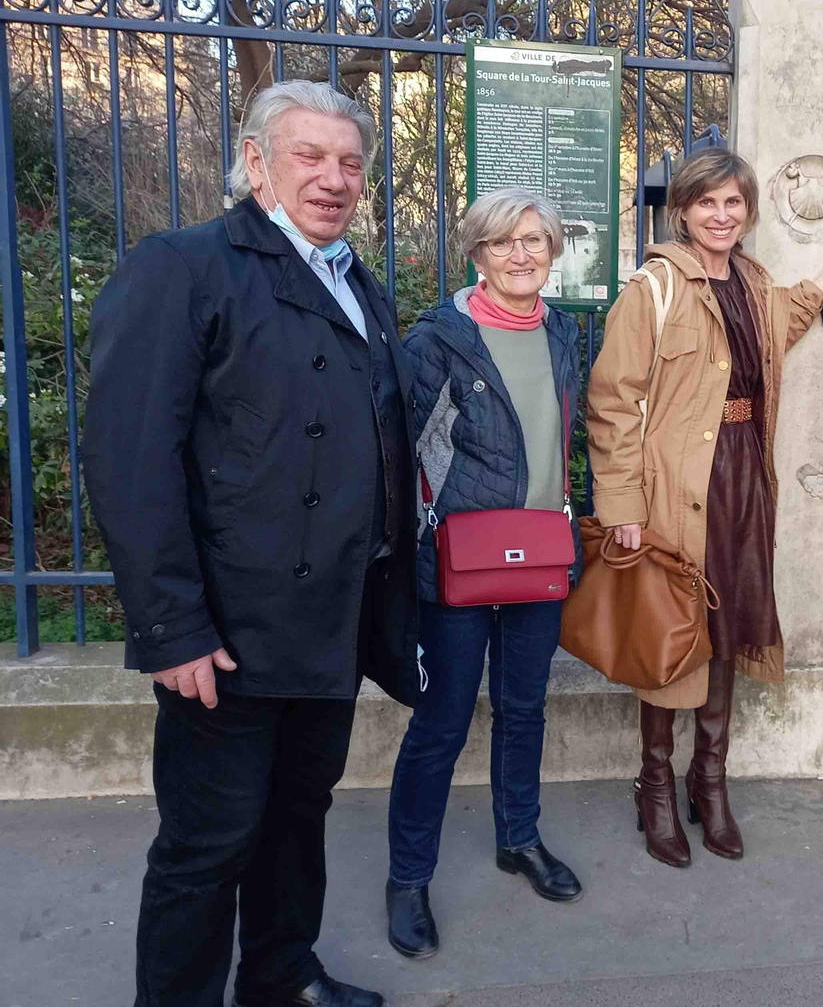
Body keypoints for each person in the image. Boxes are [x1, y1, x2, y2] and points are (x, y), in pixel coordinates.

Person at [83, 80, 417, 1007]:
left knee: (298, 817)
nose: (333, 178)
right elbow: (130, 458)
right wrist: (171, 627)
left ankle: (279, 974)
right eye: (309, 156)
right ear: (256, 162)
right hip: (228, 631)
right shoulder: (185, 266)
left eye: (350, 162)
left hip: (332, 620)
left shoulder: (358, 284)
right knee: (207, 843)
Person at [586, 147, 823, 867]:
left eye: (733, 202)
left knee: (727, 626)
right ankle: (655, 786)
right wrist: (623, 503)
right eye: (707, 202)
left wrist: (814, 296)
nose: (721, 215)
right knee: (673, 632)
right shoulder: (655, 287)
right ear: (683, 210)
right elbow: (612, 401)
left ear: (749, 212)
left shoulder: (755, 284)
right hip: (677, 487)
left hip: (743, 479)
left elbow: (762, 342)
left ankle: (710, 780)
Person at [383, 188, 584, 959]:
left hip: (541, 553)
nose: (520, 254)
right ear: (477, 253)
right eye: (502, 242)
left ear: (553, 250)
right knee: (441, 724)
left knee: (525, 709)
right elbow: (403, 450)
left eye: (534, 240)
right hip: (458, 560)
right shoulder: (438, 339)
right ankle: (408, 878)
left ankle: (518, 839)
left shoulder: (562, 331)